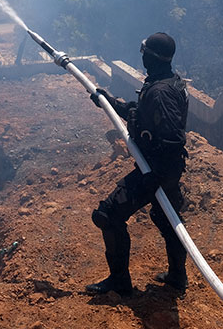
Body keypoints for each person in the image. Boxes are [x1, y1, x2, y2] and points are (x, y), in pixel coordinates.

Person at [85, 32, 189, 296]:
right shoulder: (167, 82)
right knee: (167, 219)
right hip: (165, 169)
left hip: (156, 170)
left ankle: (119, 282)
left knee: (108, 214)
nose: (141, 56)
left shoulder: (161, 92)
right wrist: (111, 103)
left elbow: (174, 139)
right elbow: (142, 115)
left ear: (150, 57)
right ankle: (177, 277)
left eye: (144, 52)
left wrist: (153, 176)